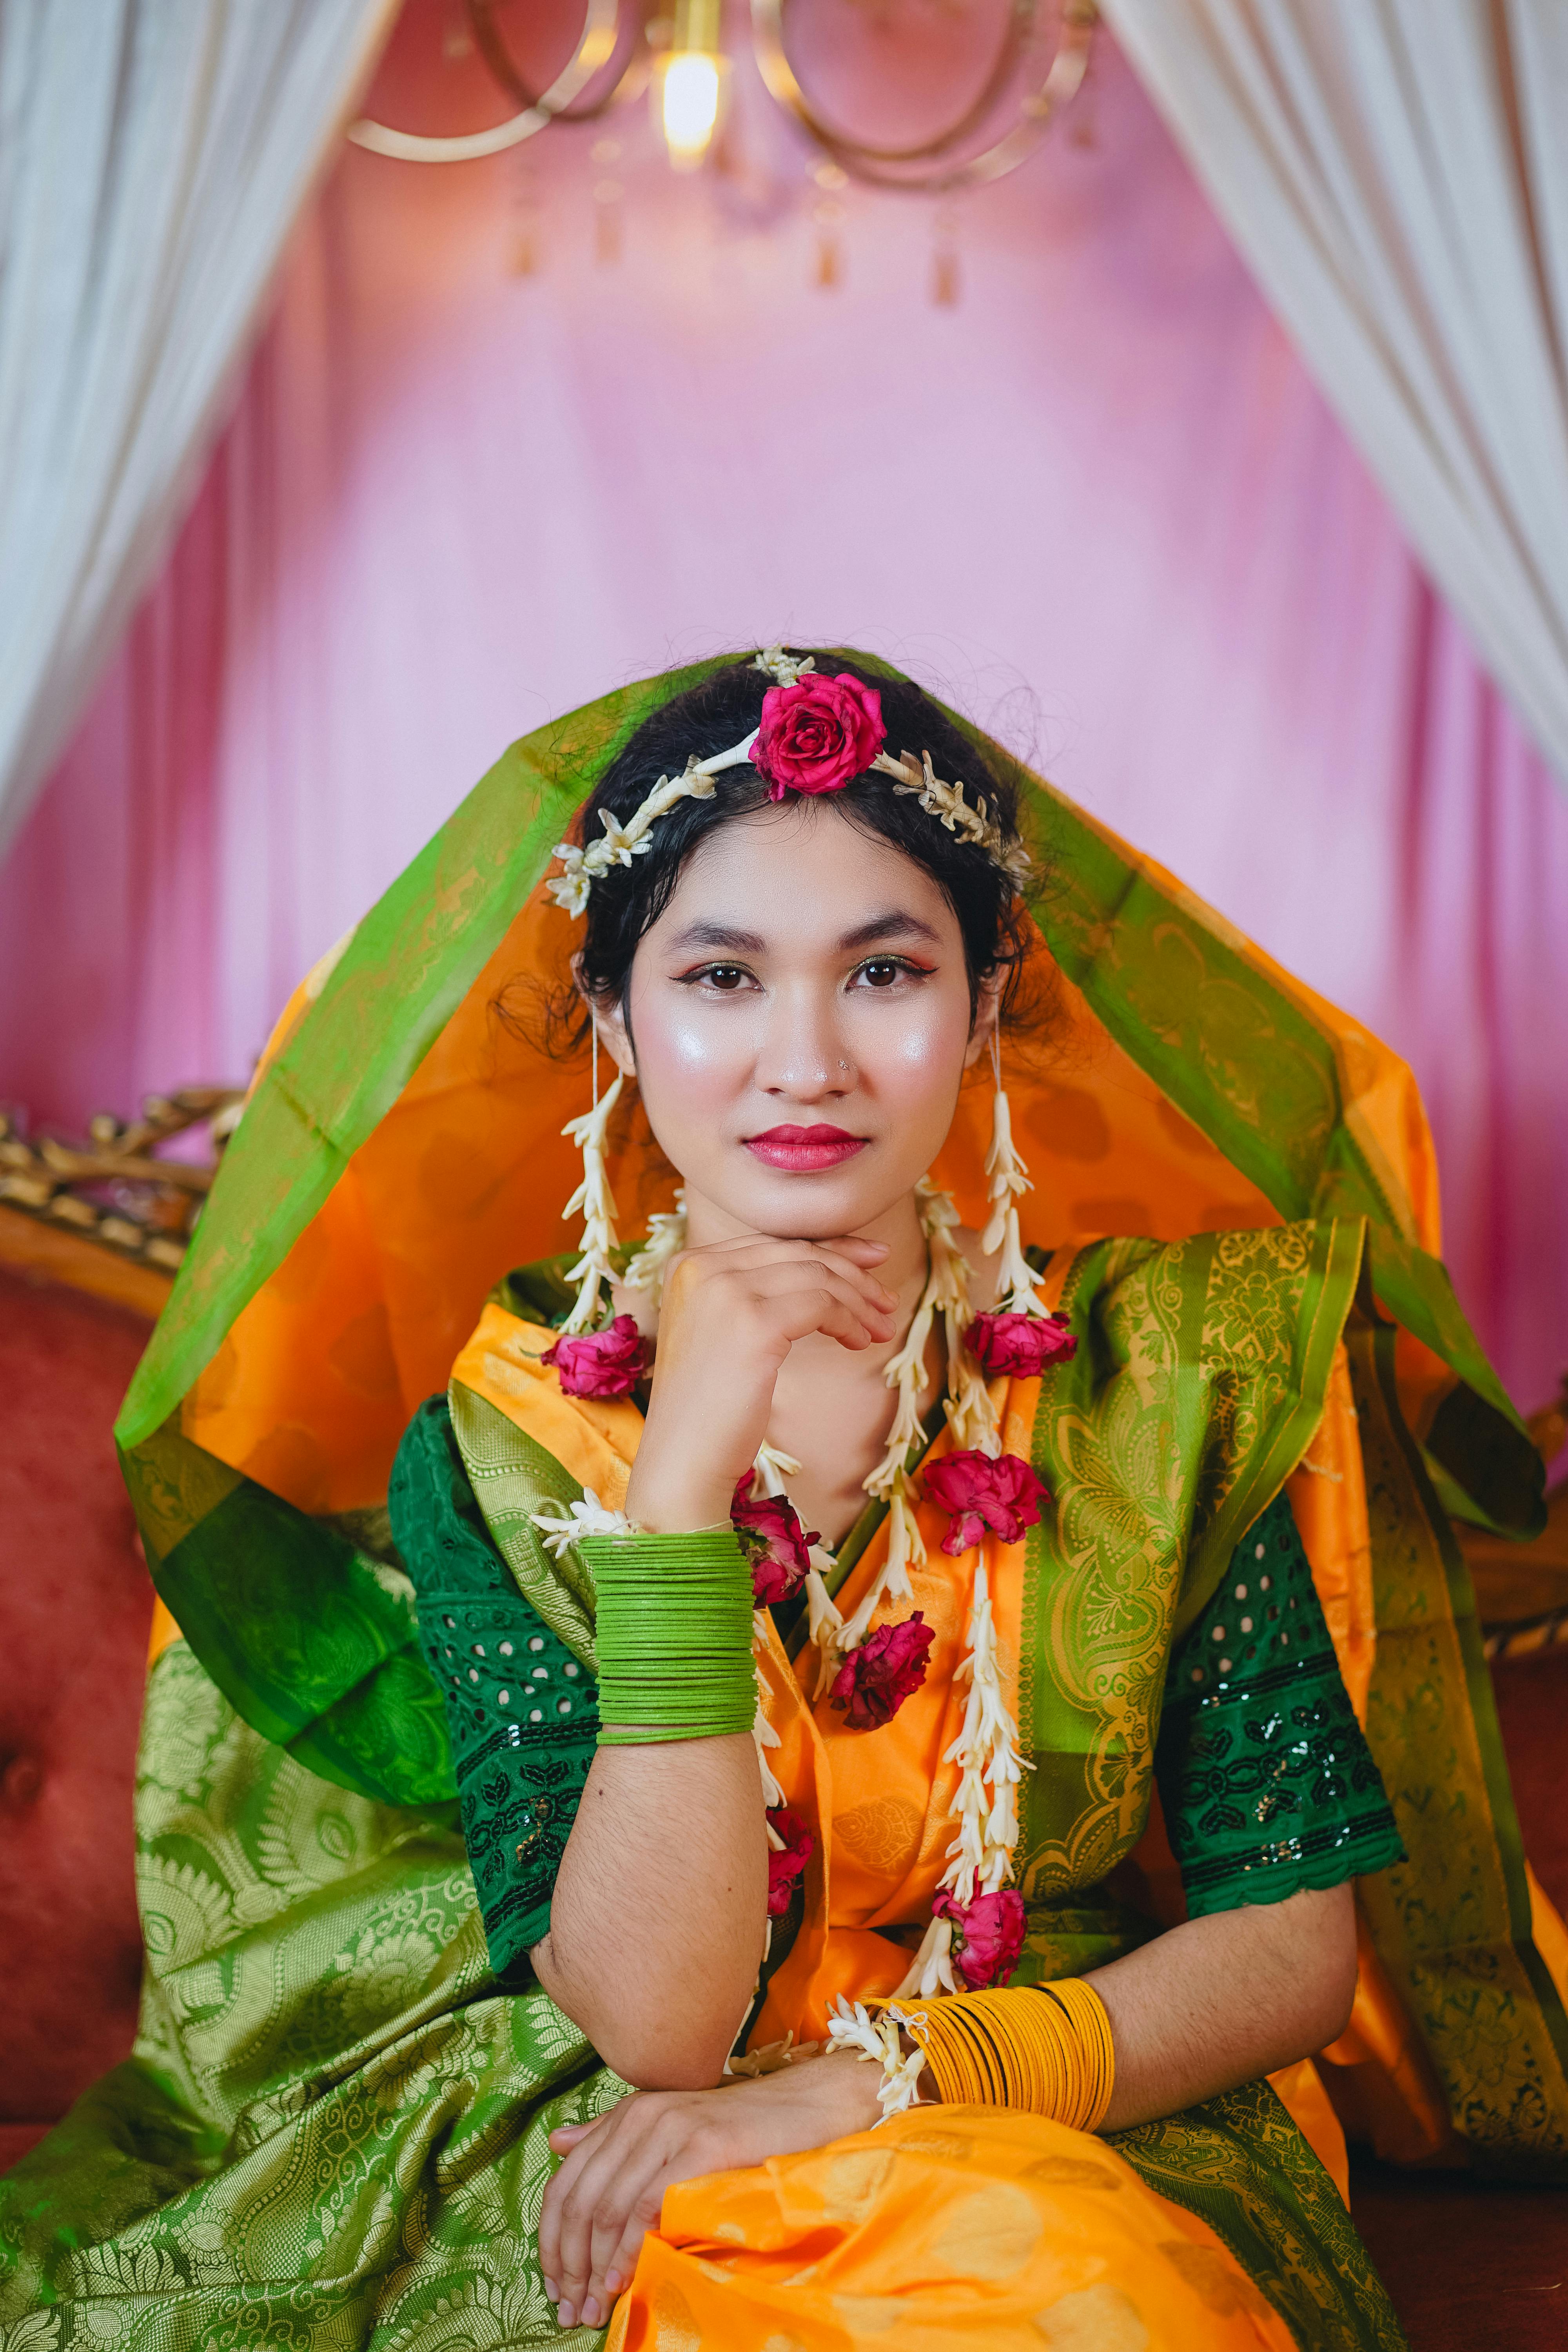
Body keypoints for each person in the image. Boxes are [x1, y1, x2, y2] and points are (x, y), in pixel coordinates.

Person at [3, 650, 1560, 2352]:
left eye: (882, 970)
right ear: (613, 1017)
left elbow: (1287, 1952)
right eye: (722, 977)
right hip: (626, 2114)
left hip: (1062, 2099)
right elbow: (663, 2033)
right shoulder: (504, 1441)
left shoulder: (1162, 1385)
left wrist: (875, 2083)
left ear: (983, 1002)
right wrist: (678, 1492)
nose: (802, 1060)